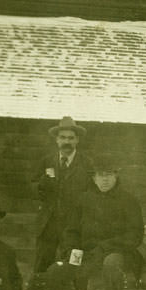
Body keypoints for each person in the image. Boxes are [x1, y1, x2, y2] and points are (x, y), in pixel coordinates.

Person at [41, 160, 143, 290]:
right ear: (94, 178)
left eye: (109, 175)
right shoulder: (83, 200)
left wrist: (106, 246)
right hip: (86, 254)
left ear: (116, 177)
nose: (105, 180)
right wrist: (72, 249)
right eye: (101, 175)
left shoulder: (128, 200)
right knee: (55, 270)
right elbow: (71, 231)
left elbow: (135, 234)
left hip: (116, 252)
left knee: (111, 264)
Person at [31, 116, 94, 274]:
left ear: (77, 140)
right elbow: (33, 186)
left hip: (75, 225)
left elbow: (93, 193)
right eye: (63, 138)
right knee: (42, 265)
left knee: (73, 265)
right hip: (49, 224)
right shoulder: (47, 162)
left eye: (71, 138)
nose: (67, 142)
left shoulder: (87, 164)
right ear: (56, 140)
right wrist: (42, 186)